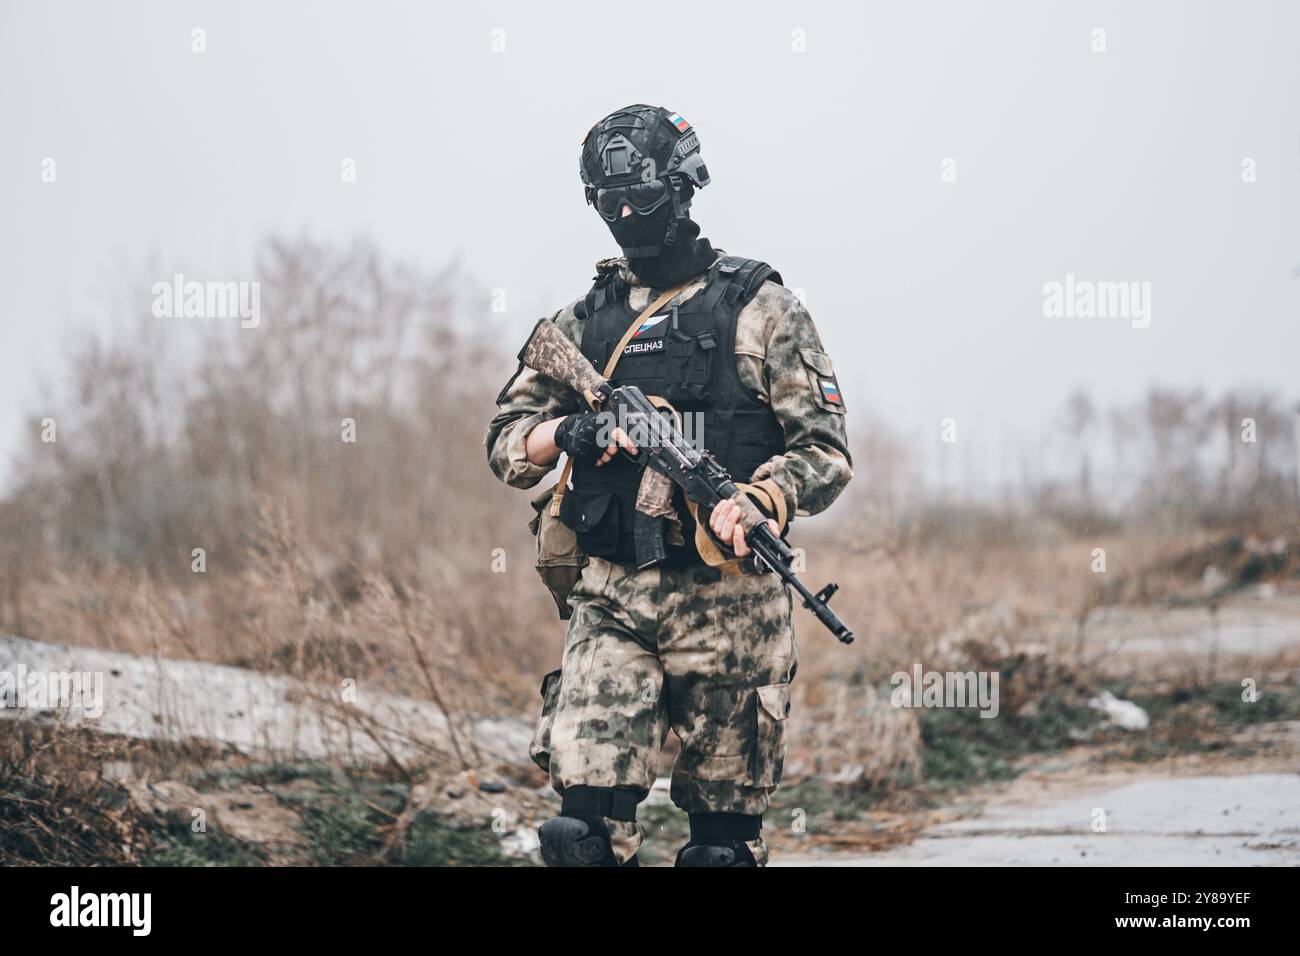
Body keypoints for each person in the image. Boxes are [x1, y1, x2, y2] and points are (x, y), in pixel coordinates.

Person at [486, 104, 852, 866]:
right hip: (613, 597)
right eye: (608, 202)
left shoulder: (762, 311)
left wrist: (760, 500)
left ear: (683, 188)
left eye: (640, 199)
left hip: (733, 609)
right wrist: (574, 434)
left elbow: (825, 451)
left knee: (719, 853)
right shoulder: (582, 324)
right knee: (577, 836)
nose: (624, 216)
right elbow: (506, 445)